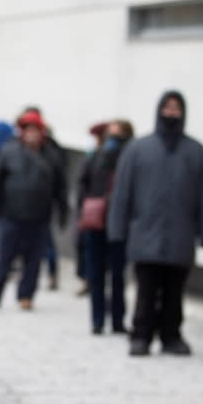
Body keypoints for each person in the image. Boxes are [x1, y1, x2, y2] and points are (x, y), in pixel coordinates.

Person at [109, 91, 203, 357]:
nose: (171, 112)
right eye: (167, 107)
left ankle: (171, 335)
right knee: (145, 290)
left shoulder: (196, 152)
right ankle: (141, 335)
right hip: (146, 233)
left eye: (176, 108)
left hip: (180, 235)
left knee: (174, 292)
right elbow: (123, 192)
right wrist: (117, 228)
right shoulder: (138, 149)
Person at [0, 111, 68, 311]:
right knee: (4, 259)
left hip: (39, 217)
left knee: (33, 261)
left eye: (35, 130)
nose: (31, 134)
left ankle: (26, 295)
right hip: (11, 215)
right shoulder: (9, 152)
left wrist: (62, 211)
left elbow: (60, 187)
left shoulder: (51, 155)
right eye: (27, 130)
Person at [78, 120, 134, 335]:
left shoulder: (131, 158)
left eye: (118, 135)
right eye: (111, 135)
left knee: (118, 276)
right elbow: (82, 183)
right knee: (96, 274)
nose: (114, 140)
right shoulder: (96, 156)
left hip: (120, 224)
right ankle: (97, 320)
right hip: (96, 223)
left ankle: (118, 320)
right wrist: (89, 205)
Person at [75, 122, 110, 296]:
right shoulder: (92, 156)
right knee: (86, 248)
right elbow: (83, 182)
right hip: (92, 211)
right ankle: (88, 279)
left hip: (107, 213)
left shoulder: (113, 157)